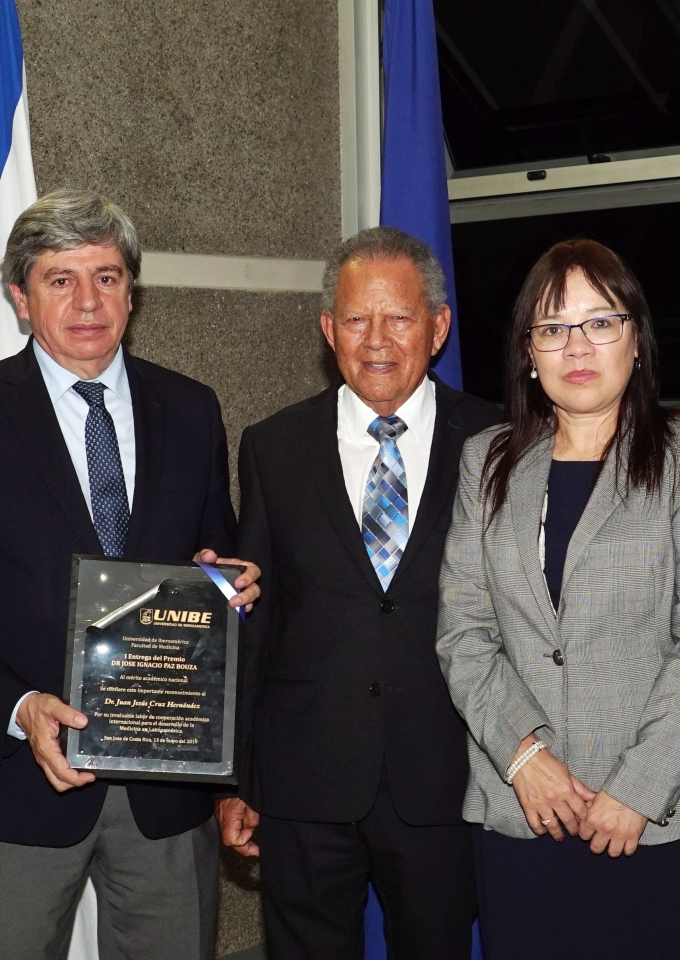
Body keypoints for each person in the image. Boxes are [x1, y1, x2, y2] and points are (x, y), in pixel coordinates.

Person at [0, 188, 260, 960]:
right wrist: (21, 708)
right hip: (19, 785)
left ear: (132, 290)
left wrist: (227, 585)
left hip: (168, 791)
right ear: (21, 298)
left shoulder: (191, 409)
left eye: (107, 276)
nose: (88, 300)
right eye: (61, 279)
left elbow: (214, 564)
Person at [437, 239, 680, 958]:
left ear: (635, 340)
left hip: (665, 817)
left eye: (600, 322)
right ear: (527, 352)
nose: (576, 346)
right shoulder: (485, 460)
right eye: (552, 328)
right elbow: (464, 631)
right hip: (525, 813)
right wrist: (523, 757)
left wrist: (637, 788)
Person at [217, 227, 499, 959]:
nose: (377, 339)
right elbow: (259, 621)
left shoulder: (498, 442)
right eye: (355, 319)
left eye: (399, 318)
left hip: (448, 779)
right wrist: (237, 777)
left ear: (437, 328)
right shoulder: (272, 447)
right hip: (303, 784)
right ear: (327, 329)